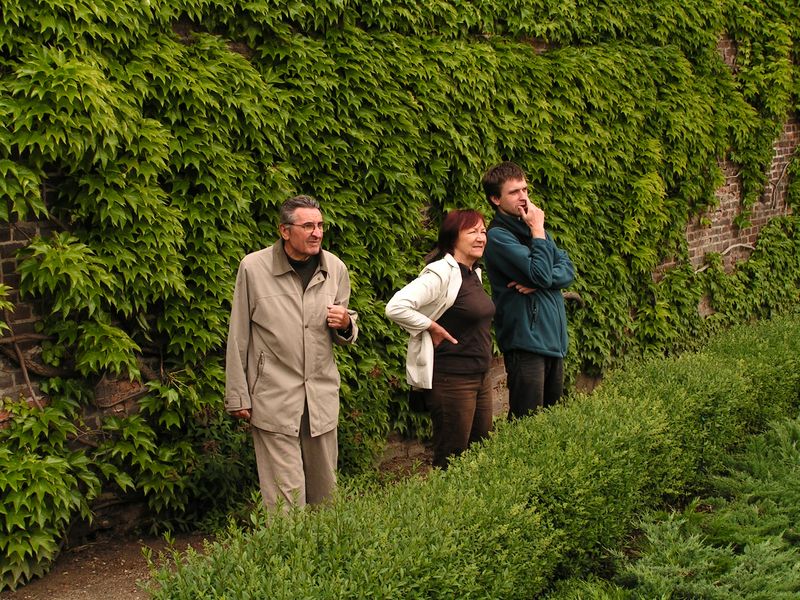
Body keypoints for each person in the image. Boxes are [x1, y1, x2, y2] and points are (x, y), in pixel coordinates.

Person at [224, 194, 358, 509]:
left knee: (326, 495)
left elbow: (345, 329)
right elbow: (238, 333)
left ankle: (325, 556)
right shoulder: (253, 268)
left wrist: (346, 324)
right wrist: (237, 394)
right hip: (273, 396)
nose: (317, 233)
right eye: (308, 225)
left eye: (321, 225)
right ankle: (286, 555)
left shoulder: (335, 268)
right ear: (285, 231)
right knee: (285, 501)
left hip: (320, 398)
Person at [385, 210, 495, 469]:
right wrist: (430, 325)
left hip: (481, 377)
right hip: (453, 380)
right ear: (453, 237)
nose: (481, 238)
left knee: (481, 453)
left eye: (483, 231)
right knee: (452, 460)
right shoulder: (440, 273)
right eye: (472, 232)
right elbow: (396, 306)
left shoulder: (473, 273)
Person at [482, 161, 575, 419]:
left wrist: (539, 279)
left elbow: (567, 269)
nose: (523, 196)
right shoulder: (500, 237)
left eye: (524, 189)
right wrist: (537, 232)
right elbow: (543, 273)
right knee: (528, 424)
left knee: (552, 423)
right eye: (514, 192)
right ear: (495, 199)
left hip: (552, 341)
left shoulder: (533, 228)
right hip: (526, 342)